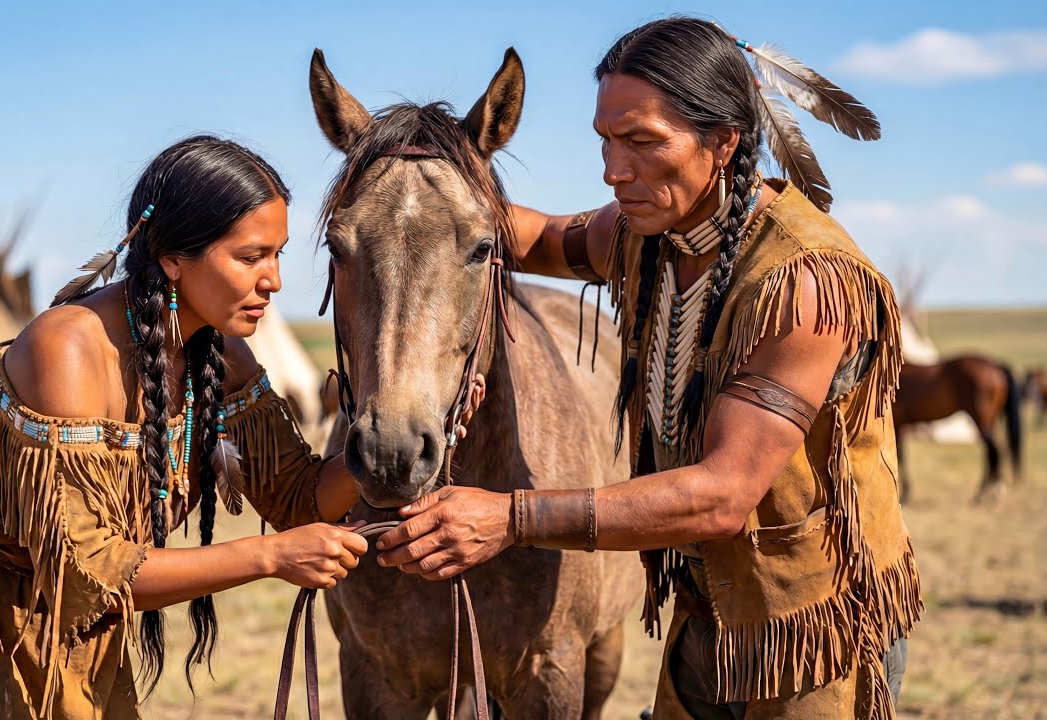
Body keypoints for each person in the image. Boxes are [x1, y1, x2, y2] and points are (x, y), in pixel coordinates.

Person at [375, 18, 921, 719]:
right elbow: (531, 235)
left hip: (814, 634)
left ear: (723, 141)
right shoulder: (646, 236)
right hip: (707, 614)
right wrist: (411, 182)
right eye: (605, 140)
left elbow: (724, 495)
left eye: (641, 142)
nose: (612, 170)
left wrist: (510, 518)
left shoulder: (803, 284)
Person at [0, 135, 370, 719]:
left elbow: (299, 497)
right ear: (173, 258)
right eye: (251, 257)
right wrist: (270, 556)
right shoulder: (70, 350)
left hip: (87, 642)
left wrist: (378, 443)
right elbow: (86, 570)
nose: (274, 280)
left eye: (278, 254)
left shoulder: (222, 356)